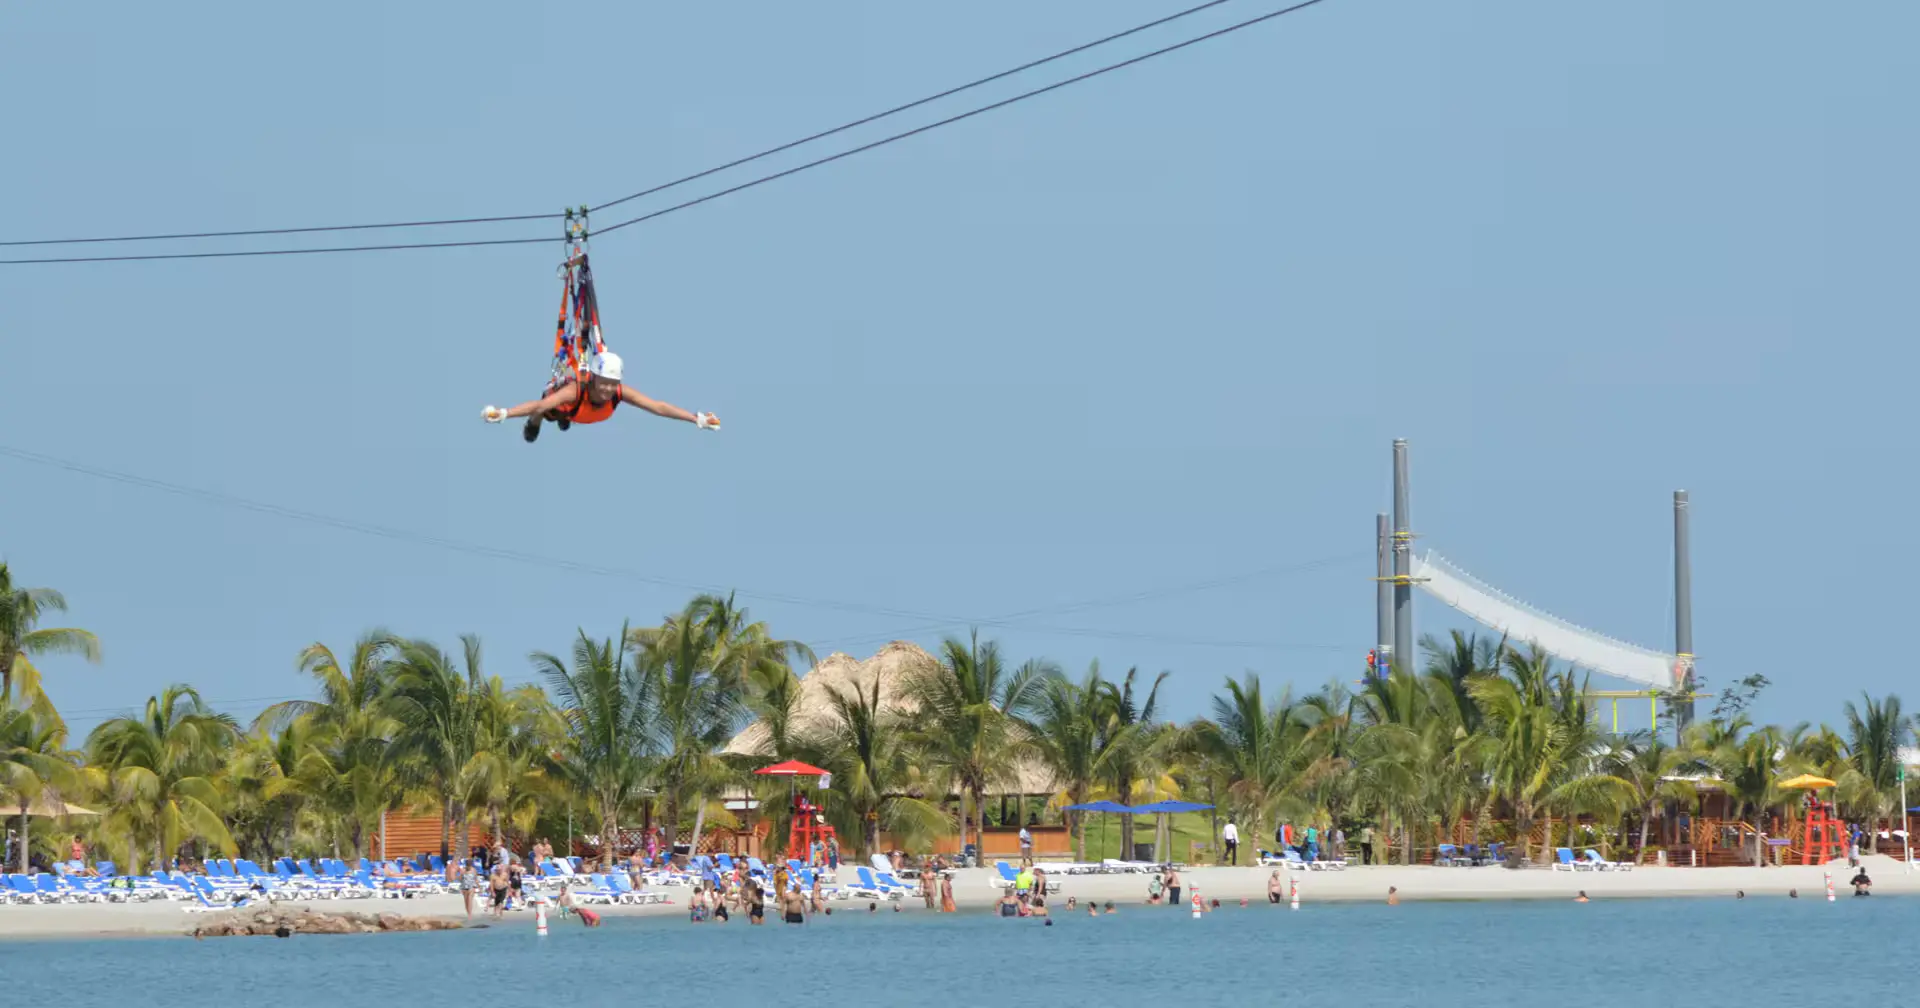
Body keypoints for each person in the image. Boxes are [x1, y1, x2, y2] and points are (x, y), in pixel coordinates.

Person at [482, 351, 719, 439]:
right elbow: (539, 404)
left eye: (612, 384)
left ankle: (565, 421)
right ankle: (535, 424)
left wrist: (696, 418)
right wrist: (504, 413)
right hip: (562, 409)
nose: (607, 390)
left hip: (586, 414)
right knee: (543, 410)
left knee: (565, 414)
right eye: (603, 384)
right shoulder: (575, 390)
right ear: (593, 378)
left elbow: (657, 407)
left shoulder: (619, 392)